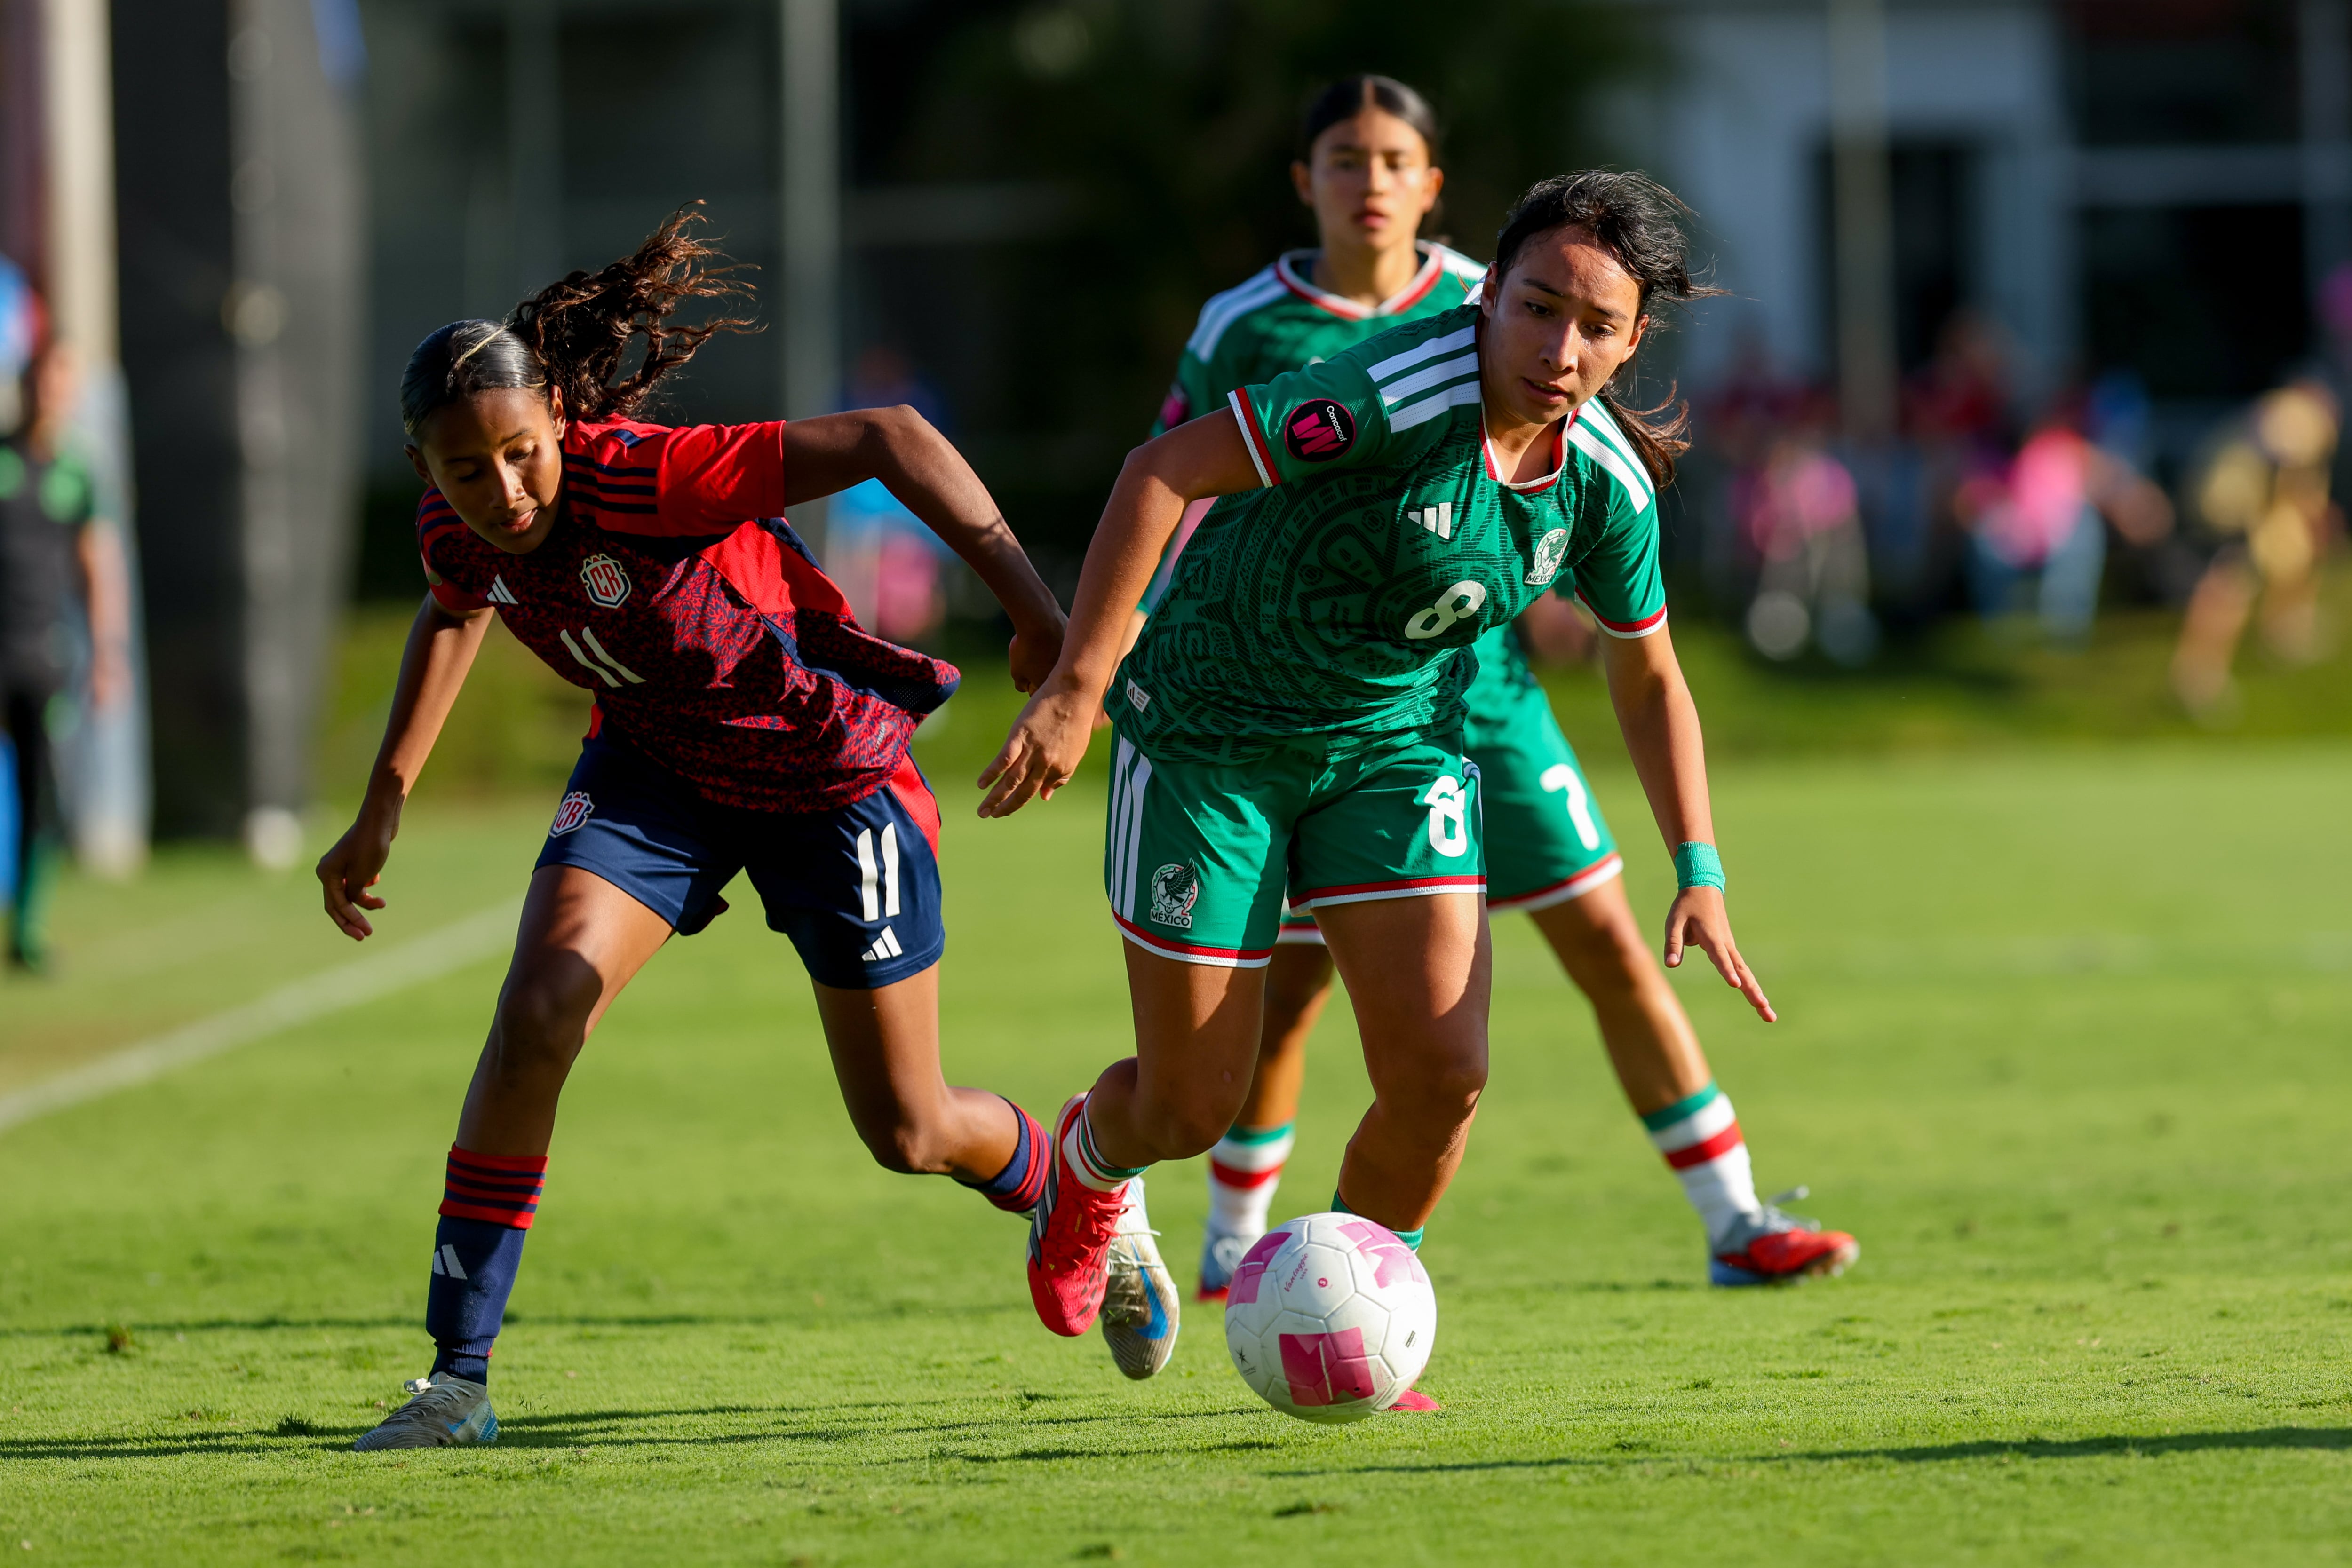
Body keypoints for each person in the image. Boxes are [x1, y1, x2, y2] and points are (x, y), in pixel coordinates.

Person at [980, 170, 1794, 1411]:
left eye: (1595, 326)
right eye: (1537, 307)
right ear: (1489, 294)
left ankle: (1355, 1315)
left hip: (1394, 752)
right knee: (1192, 1104)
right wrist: (1078, 686)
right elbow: (1161, 471)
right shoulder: (1386, 394)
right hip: (1212, 734)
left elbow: (1650, 677)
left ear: (1634, 341)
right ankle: (1089, 1163)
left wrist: (1702, 868)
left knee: (1442, 1074)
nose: (1558, 349)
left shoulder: (1605, 481)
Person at [319, 211, 1069, 1450]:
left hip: (825, 774)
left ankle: (1063, 1177)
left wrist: (1036, 616)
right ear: (424, 466)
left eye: (520, 454)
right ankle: (456, 1379)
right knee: (538, 1009)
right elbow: (455, 605)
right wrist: (386, 793)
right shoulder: (456, 524)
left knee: (910, 1128)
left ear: (559, 420)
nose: (503, 491)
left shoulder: (646, 477)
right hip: (654, 772)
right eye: (466, 470)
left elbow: (890, 435)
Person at [1130, 82, 1858, 1327]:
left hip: (1472, 698)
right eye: (1345, 157)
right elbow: (1182, 480)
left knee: (1597, 945)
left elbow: (1595, 584)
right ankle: (1237, 1244)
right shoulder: (1257, 326)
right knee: (1287, 989)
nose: (1370, 180)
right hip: (1273, 703)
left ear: (1433, 185)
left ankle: (1734, 1218)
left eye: (1395, 158)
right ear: (1303, 180)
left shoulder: (1527, 293)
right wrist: (1112, 653)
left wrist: (1699, 856)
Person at [0, 335, 131, 973]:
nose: (49, 394)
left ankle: (25, 930)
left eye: (60, 383)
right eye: (40, 381)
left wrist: (108, 654)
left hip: (42, 655)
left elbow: (97, 565)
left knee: (40, 793)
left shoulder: (79, 471)